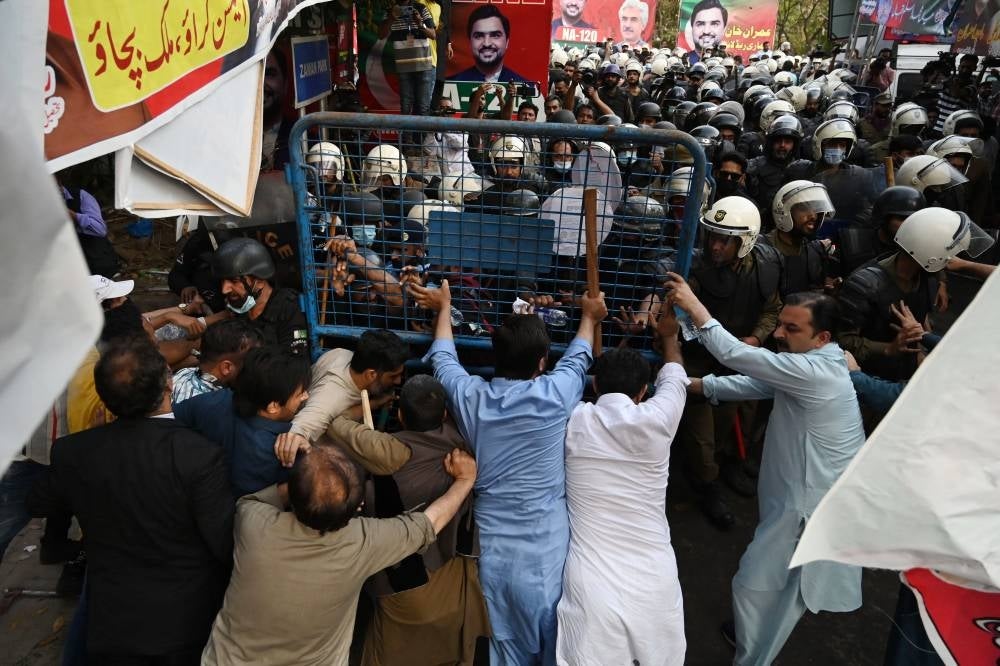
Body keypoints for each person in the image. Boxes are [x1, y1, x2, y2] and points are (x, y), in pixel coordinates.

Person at [667, 278, 867, 666]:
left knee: (756, 586)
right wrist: (693, 385)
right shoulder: (822, 363)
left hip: (807, 512)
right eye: (781, 324)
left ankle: (752, 656)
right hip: (809, 504)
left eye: (792, 329)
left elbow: (736, 355)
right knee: (780, 591)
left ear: (822, 336)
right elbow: (757, 383)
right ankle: (750, 640)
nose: (778, 334)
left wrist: (692, 304)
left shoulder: (814, 371)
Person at [410, 278, 607, 665]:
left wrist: (445, 308)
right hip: (547, 554)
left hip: (492, 553)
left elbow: (443, 358)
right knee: (554, 641)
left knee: (501, 644)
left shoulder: (471, 398)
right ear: (541, 362)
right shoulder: (557, 394)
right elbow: (580, 355)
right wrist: (588, 315)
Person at [27, 335, 235, 664]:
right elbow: (223, 544)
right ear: (169, 381)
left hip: (110, 621)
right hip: (182, 624)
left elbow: (41, 503)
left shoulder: (72, 452)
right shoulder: (199, 455)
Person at [200, 441, 478, 665]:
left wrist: (308, 482)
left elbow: (252, 500)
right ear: (358, 507)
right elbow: (429, 523)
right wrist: (465, 480)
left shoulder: (254, 523)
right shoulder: (363, 542)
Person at [556, 312, 688, 666]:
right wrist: (670, 339)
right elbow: (675, 372)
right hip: (654, 579)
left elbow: (551, 388)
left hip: (590, 583)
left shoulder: (573, 420)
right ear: (644, 392)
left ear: (595, 386)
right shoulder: (660, 418)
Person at [359, 375, 490, 666]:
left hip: (404, 591)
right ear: (445, 414)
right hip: (454, 577)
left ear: (400, 414)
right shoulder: (464, 445)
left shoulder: (378, 469)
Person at [678, 197, 782, 530]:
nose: (716, 246)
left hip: (738, 364)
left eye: (725, 240)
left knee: (725, 427)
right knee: (701, 439)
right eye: (712, 237)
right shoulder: (694, 269)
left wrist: (755, 338)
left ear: (746, 242)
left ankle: (720, 470)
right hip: (697, 364)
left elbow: (771, 309)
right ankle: (708, 487)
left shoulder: (766, 266)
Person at [285, 329, 409, 449]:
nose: (398, 381)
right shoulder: (330, 399)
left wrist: (373, 404)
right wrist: (296, 437)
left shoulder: (339, 353)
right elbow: (298, 430)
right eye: (393, 376)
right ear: (371, 374)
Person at [211, 237, 308, 352]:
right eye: (223, 281)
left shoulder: (288, 307)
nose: (224, 290)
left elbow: (294, 362)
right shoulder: (237, 311)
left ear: (260, 282)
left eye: (234, 280)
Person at [762, 180, 838, 296]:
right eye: (804, 208)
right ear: (784, 211)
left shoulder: (815, 253)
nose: (813, 216)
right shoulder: (759, 251)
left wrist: (824, 293)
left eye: (817, 209)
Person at [171, 318, 264, 404]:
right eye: (251, 360)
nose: (256, 366)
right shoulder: (214, 407)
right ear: (226, 368)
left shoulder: (184, 372)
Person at [379, 0, 437, 117]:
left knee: (423, 107)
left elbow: (433, 35)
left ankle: (420, 136)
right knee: (405, 107)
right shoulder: (390, 11)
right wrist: (391, 18)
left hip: (423, 64)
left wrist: (420, 24)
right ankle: (406, 136)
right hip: (403, 65)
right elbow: (381, 35)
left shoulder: (421, 8)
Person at [453, 5, 529, 83]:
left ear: (507, 42)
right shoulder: (448, 86)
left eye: (495, 35)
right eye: (479, 36)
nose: (487, 43)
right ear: (470, 42)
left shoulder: (528, 89)